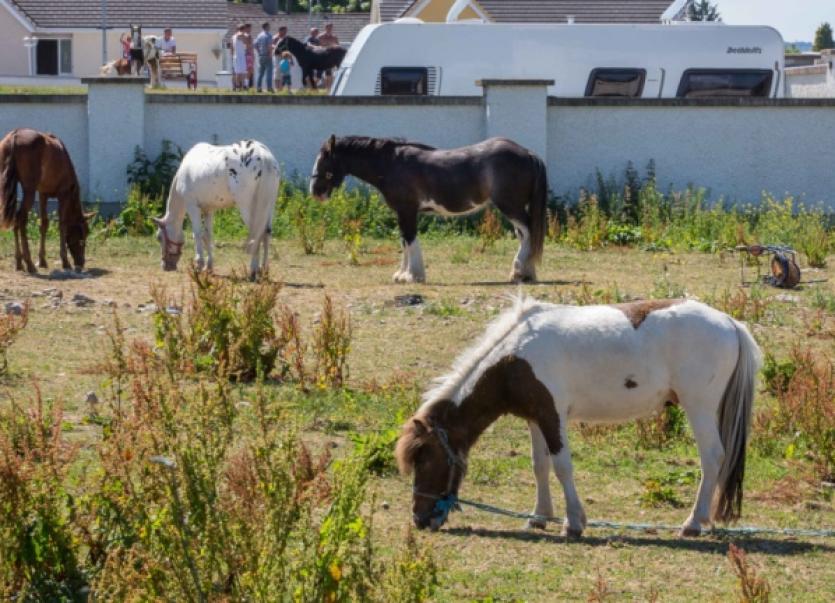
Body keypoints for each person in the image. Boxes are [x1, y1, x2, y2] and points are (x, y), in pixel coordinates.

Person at [254, 22, 274, 93]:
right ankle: (269, 88)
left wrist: (259, 52)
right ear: (266, 27)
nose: (270, 27)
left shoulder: (259, 35)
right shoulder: (268, 35)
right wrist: (270, 54)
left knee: (260, 73)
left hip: (261, 56)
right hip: (267, 55)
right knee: (269, 73)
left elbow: (255, 45)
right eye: (269, 26)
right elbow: (269, 45)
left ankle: (258, 88)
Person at [232, 24, 248, 90]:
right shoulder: (237, 35)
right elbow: (239, 35)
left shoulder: (234, 36)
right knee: (238, 73)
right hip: (238, 56)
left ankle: (243, 85)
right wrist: (244, 34)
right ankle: (238, 86)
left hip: (240, 56)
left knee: (243, 72)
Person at [244, 23, 255, 90]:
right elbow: (250, 46)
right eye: (250, 28)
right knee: (250, 70)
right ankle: (246, 85)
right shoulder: (248, 36)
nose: (251, 29)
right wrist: (252, 55)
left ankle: (246, 84)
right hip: (249, 54)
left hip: (245, 54)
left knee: (248, 70)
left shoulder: (243, 36)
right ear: (247, 28)